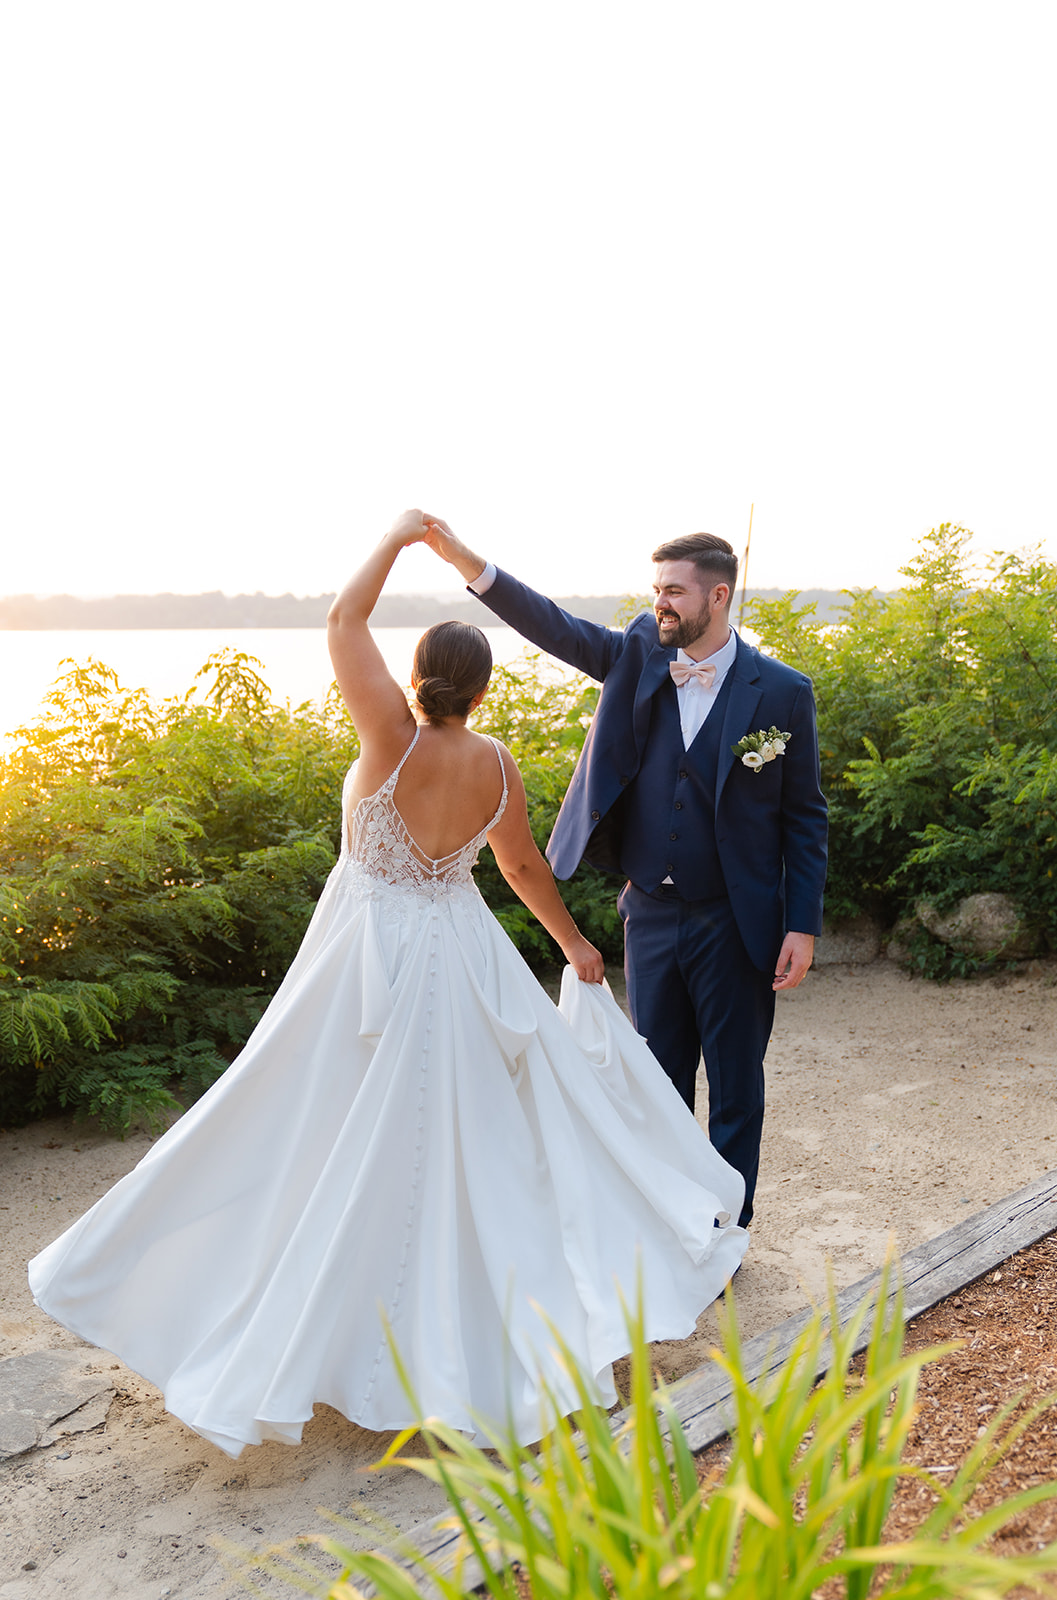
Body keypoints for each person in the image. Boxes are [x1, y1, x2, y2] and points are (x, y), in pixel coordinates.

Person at [29, 510, 747, 1457]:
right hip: (457, 951)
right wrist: (574, 945)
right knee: (467, 1134)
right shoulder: (495, 766)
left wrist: (402, 540)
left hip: (367, 949)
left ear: (417, 678)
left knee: (300, 1114)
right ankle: (465, 1321)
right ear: (482, 692)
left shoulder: (388, 738)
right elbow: (526, 872)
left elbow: (340, 620)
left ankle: (293, 1309)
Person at [423, 517, 829, 1228]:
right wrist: (462, 558)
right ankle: (672, 1229)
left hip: (738, 918)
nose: (660, 603)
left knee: (735, 1087)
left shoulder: (782, 693)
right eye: (656, 590)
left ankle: (726, 1232)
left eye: (674, 591)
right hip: (650, 913)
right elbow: (550, 625)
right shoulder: (639, 653)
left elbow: (803, 816)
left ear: (719, 596)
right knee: (656, 1083)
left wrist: (801, 923)